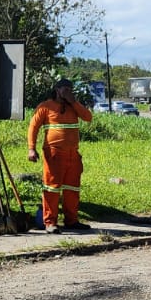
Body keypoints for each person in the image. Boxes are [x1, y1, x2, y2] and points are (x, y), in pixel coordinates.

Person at [27, 78, 94, 234]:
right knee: (52, 188)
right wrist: (31, 149)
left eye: (70, 90)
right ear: (57, 90)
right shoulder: (45, 107)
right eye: (65, 90)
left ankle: (72, 221)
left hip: (73, 154)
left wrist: (74, 102)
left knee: (72, 188)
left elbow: (88, 117)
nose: (68, 93)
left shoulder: (73, 107)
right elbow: (33, 128)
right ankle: (50, 222)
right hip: (54, 153)